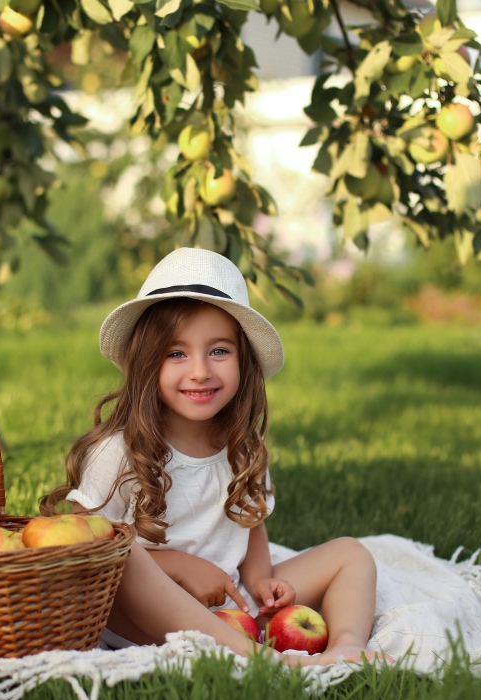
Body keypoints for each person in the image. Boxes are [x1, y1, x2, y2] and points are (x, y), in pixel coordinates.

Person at [40, 247, 383, 665]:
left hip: (230, 604)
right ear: (148, 364)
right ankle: (264, 660)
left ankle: (347, 646)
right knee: (121, 550)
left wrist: (260, 582)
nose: (200, 371)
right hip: (141, 619)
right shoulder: (119, 451)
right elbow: (79, 538)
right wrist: (180, 565)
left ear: (244, 361)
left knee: (352, 553)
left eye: (219, 351)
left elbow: (250, 523)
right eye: (176, 353)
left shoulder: (243, 447)